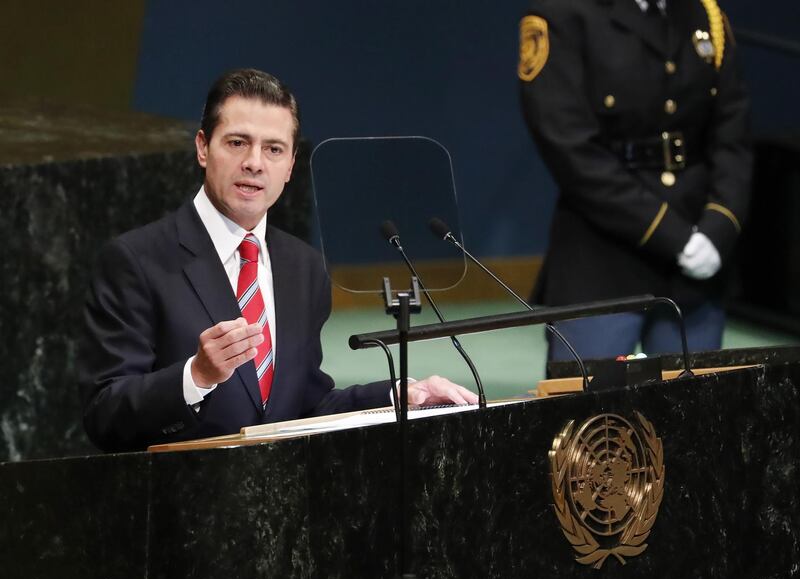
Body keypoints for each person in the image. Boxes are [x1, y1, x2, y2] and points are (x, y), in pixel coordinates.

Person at [80, 68, 476, 452]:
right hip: (178, 502)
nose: (254, 162)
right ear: (203, 147)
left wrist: (399, 395)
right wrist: (194, 377)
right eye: (237, 143)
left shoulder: (303, 267)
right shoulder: (136, 260)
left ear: (289, 166)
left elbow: (304, 406)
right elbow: (105, 415)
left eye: (273, 149)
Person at [518, 0, 752, 361]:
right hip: (602, 255)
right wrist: (673, 237)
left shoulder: (705, 14)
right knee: (591, 411)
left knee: (694, 409)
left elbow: (733, 136)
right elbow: (569, 147)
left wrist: (719, 226)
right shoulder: (562, 12)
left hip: (697, 250)